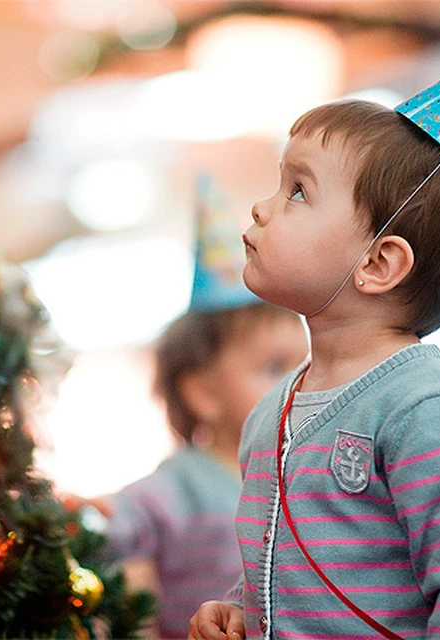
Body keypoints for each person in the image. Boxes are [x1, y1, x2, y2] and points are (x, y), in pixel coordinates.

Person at [188, 8, 440, 640]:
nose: (260, 206)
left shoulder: (433, 415)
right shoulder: (268, 415)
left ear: (378, 262)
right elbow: (281, 568)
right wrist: (240, 608)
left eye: (298, 191)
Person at [96, 175, 309, 640]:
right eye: (274, 367)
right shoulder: (184, 484)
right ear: (203, 394)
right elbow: (124, 523)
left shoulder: (302, 474)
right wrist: (99, 516)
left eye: (304, 365)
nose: (297, 382)